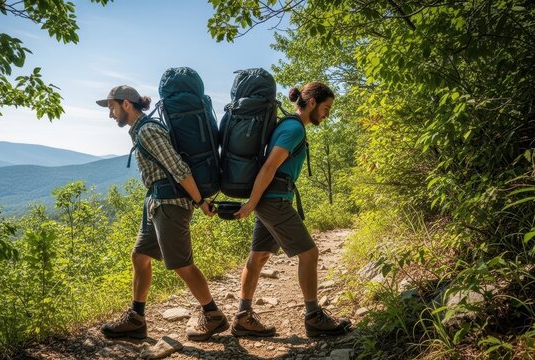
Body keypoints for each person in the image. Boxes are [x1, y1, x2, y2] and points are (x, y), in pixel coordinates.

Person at [96, 85, 229, 341]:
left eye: (112, 107)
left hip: (170, 203)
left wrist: (200, 202)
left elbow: (179, 169)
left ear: (126, 104)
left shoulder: (148, 131)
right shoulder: (140, 131)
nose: (110, 114)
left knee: (182, 264)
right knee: (140, 256)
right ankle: (136, 318)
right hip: (155, 202)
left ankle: (213, 315)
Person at [232, 82, 352, 338]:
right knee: (309, 254)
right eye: (326, 108)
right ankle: (313, 316)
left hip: (271, 198)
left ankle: (242, 317)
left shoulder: (288, 126)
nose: (327, 114)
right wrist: (251, 204)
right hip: (274, 200)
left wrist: (256, 202)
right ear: (311, 103)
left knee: (259, 257)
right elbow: (269, 167)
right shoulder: (293, 129)